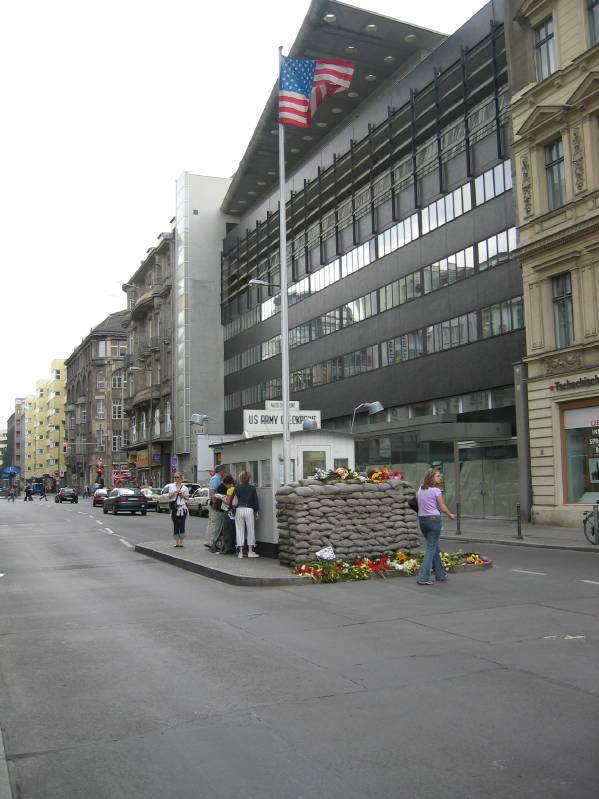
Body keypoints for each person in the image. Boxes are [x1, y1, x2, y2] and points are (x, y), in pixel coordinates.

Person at [416, 468, 455, 585]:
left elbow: (420, 504)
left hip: (422, 521)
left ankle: (440, 574)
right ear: (432, 478)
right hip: (434, 521)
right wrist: (450, 515)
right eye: (438, 476)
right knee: (430, 549)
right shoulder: (436, 491)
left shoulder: (420, 490)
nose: (440, 478)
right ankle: (423, 577)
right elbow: (442, 507)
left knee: (434, 548)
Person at [230, 471, 260, 559]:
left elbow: (232, 501)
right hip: (249, 510)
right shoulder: (252, 488)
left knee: (239, 530)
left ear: (240, 478)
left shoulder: (236, 487)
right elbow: (255, 501)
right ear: (249, 478)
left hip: (239, 510)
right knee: (250, 530)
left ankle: (240, 552)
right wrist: (257, 511)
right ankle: (250, 552)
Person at [165, 472, 190, 547]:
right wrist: (175, 492)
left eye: (177, 477)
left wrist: (182, 495)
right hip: (175, 508)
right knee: (175, 525)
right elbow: (169, 497)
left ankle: (181, 542)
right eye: (175, 477)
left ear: (181, 478)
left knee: (182, 525)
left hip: (182, 508)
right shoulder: (171, 487)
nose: (176, 479)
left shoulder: (185, 488)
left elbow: (187, 498)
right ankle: (177, 542)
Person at [211, 474, 235, 553]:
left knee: (220, 528)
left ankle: (217, 545)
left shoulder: (227, 488)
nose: (226, 486)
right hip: (221, 509)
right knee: (219, 527)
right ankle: (214, 544)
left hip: (223, 509)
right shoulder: (223, 487)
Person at [206, 465, 226, 548]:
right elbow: (212, 490)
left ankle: (208, 541)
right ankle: (212, 542)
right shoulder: (217, 478)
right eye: (224, 471)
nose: (224, 473)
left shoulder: (215, 478)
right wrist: (214, 502)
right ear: (220, 471)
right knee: (216, 523)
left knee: (212, 523)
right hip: (215, 504)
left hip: (213, 503)